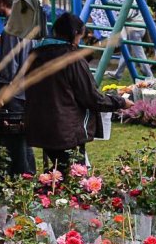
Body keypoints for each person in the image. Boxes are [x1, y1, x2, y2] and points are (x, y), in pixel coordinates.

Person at [24, 12, 130, 172]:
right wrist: (120, 102)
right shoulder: (72, 58)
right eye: (80, 36)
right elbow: (91, 97)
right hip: (65, 129)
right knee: (74, 177)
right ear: (75, 34)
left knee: (57, 175)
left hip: (40, 125)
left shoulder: (35, 54)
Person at [0, 0, 36, 177]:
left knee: (14, 139)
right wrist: (3, 42)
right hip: (28, 88)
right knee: (24, 137)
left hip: (14, 91)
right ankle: (30, 175)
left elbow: (9, 68)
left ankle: (20, 178)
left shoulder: (10, 29)